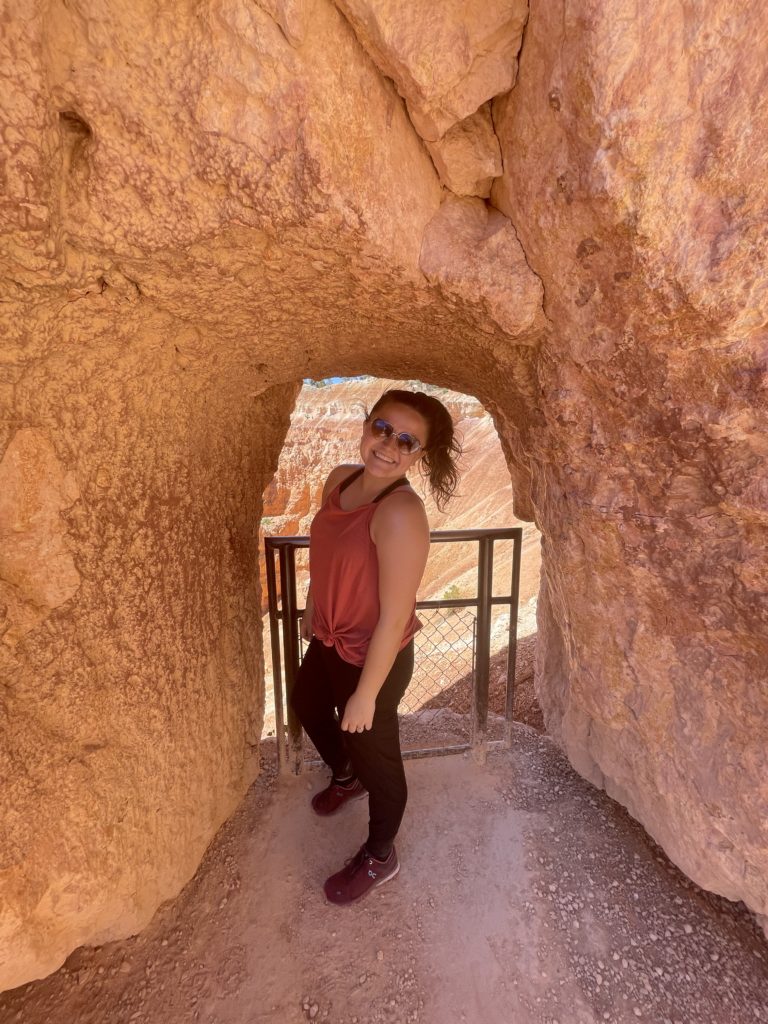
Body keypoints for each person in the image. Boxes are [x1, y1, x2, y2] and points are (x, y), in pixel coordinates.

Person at [290, 387, 461, 905]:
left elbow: (393, 616)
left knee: (377, 755)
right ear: (367, 425)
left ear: (420, 456)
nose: (389, 446)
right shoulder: (339, 481)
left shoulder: (401, 513)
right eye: (383, 429)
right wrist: (311, 607)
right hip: (329, 634)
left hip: (373, 656)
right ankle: (346, 776)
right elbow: (326, 556)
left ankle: (381, 854)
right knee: (307, 704)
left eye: (407, 441)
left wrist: (366, 695)